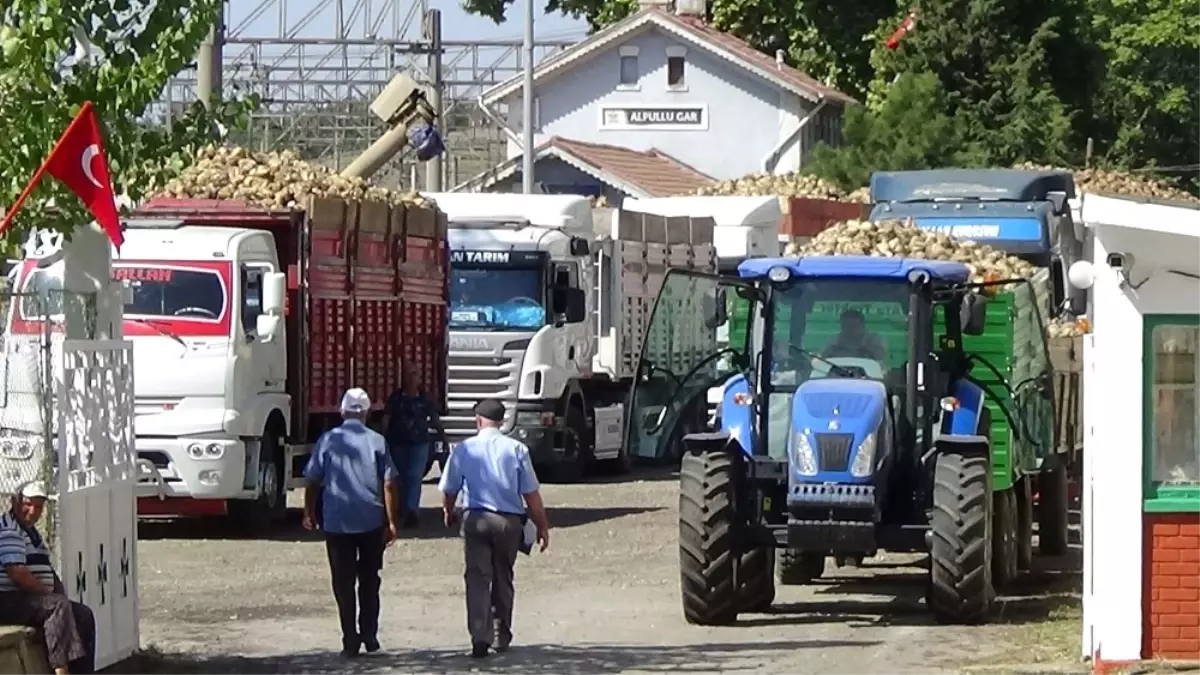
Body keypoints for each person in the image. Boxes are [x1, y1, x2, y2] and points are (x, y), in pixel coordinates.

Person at [438, 399, 550, 659]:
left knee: (477, 577)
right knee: (503, 575)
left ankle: (479, 635)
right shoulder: (517, 449)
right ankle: (501, 633)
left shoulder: (464, 449)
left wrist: (448, 510)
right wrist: (542, 525)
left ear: (478, 420)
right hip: (508, 522)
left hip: (476, 519)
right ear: (502, 421)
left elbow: (449, 489)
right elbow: (531, 494)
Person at [303, 387, 402, 659]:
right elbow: (389, 483)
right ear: (367, 412)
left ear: (342, 411)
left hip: (337, 521)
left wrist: (309, 512)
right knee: (370, 579)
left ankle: (349, 639)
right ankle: (369, 633)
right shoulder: (378, 441)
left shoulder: (328, 440)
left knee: (343, 582)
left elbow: (313, 479)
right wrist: (392, 521)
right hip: (371, 520)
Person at [0, 481, 95, 675]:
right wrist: (49, 595)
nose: (33, 510)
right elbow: (17, 572)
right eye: (28, 504)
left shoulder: (31, 533)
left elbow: (47, 570)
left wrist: (59, 593)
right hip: (7, 598)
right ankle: (61, 671)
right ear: (14, 501)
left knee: (83, 614)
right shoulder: (9, 529)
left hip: (28, 599)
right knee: (56, 606)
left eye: (39, 506)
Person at [382, 365, 448, 529]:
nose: (412, 378)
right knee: (398, 478)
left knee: (414, 477)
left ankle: (412, 511)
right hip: (398, 442)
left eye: (415, 375)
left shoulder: (425, 398)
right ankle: (400, 509)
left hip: (419, 443)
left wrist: (442, 436)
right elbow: (387, 418)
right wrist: (382, 439)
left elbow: (433, 418)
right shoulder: (396, 398)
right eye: (409, 375)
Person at [822, 309, 888, 362]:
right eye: (846, 326)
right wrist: (835, 348)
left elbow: (881, 357)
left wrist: (866, 346)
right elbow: (821, 359)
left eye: (853, 325)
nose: (850, 329)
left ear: (863, 326)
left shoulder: (874, 340)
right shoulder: (834, 341)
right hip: (837, 376)